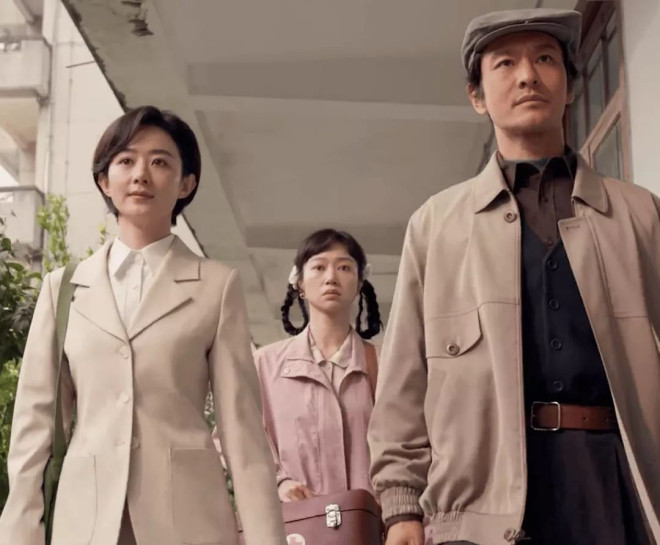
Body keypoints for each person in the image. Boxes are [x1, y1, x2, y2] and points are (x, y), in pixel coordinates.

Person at [368, 9, 660, 545]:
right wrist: (401, 505)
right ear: (477, 96)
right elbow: (403, 379)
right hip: (484, 504)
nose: (528, 76)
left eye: (545, 59)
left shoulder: (640, 215)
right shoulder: (436, 225)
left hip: (618, 488)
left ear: (569, 85)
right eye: (505, 63)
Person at [0, 106, 286, 545]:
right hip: (86, 522)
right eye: (126, 160)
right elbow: (34, 426)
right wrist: (20, 533)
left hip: (187, 523)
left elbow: (242, 433)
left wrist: (267, 538)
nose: (140, 175)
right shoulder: (64, 289)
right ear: (104, 180)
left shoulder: (216, 286)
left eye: (160, 162)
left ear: (186, 183)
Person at [255, 228, 382, 502]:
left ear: (360, 283)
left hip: (372, 521)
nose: (331, 277)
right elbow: (235, 437)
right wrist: (279, 482)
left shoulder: (383, 364)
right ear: (299, 283)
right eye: (319, 267)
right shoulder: (265, 366)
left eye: (344, 267)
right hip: (296, 522)